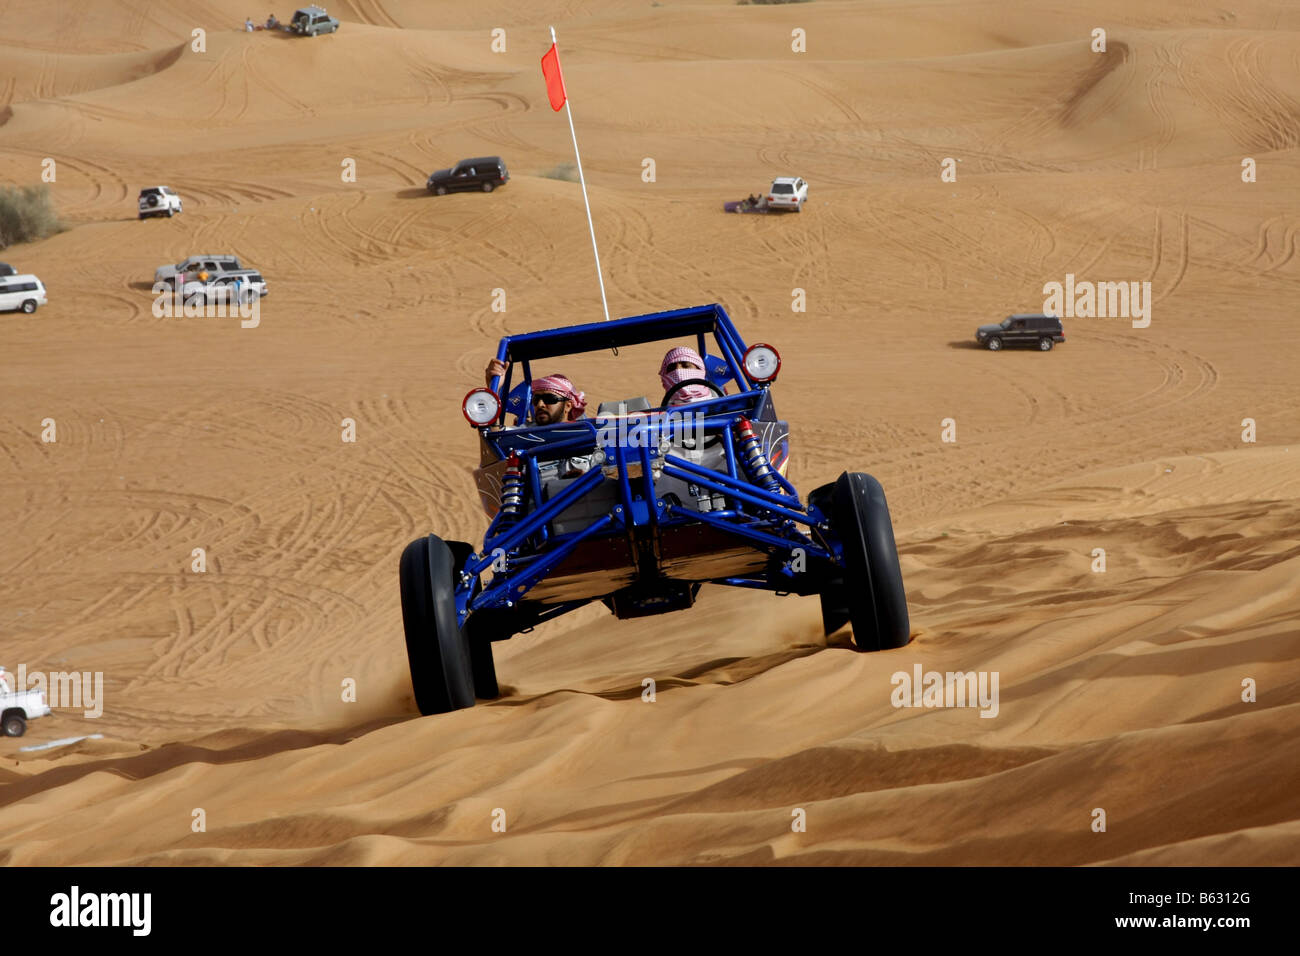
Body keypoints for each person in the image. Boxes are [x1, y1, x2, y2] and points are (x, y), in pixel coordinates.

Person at [484, 358, 586, 425]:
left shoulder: (587, 432)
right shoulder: (524, 434)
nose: (540, 404)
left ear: (568, 406)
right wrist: (494, 388)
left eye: (549, 399)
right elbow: (496, 439)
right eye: (536, 400)